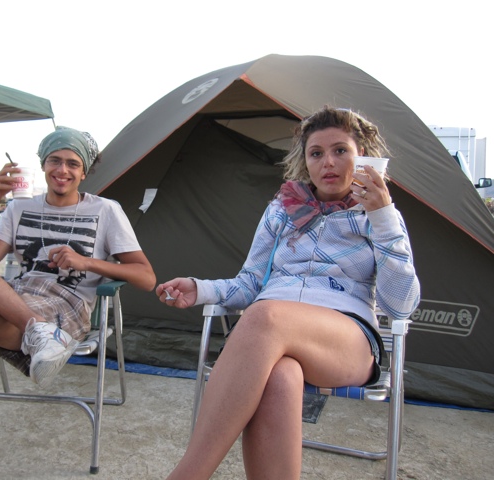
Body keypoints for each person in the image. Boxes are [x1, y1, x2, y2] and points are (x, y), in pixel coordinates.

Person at [156, 106, 420, 480]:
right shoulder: (282, 210)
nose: (328, 162)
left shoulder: (378, 215)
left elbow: (401, 305)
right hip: (271, 333)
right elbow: (249, 282)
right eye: (316, 153)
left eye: (340, 150)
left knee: (265, 315)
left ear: (363, 157)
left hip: (344, 339)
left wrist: (383, 217)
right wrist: (199, 290)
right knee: (281, 376)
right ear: (304, 161)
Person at [0, 126, 156, 480]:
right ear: (43, 165)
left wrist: (86, 262)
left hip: (66, 307)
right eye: (55, 161)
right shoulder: (19, 208)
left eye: (73, 163)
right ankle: (36, 331)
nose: (63, 170)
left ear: (84, 171)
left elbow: (146, 277)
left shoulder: (106, 210)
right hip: (17, 296)